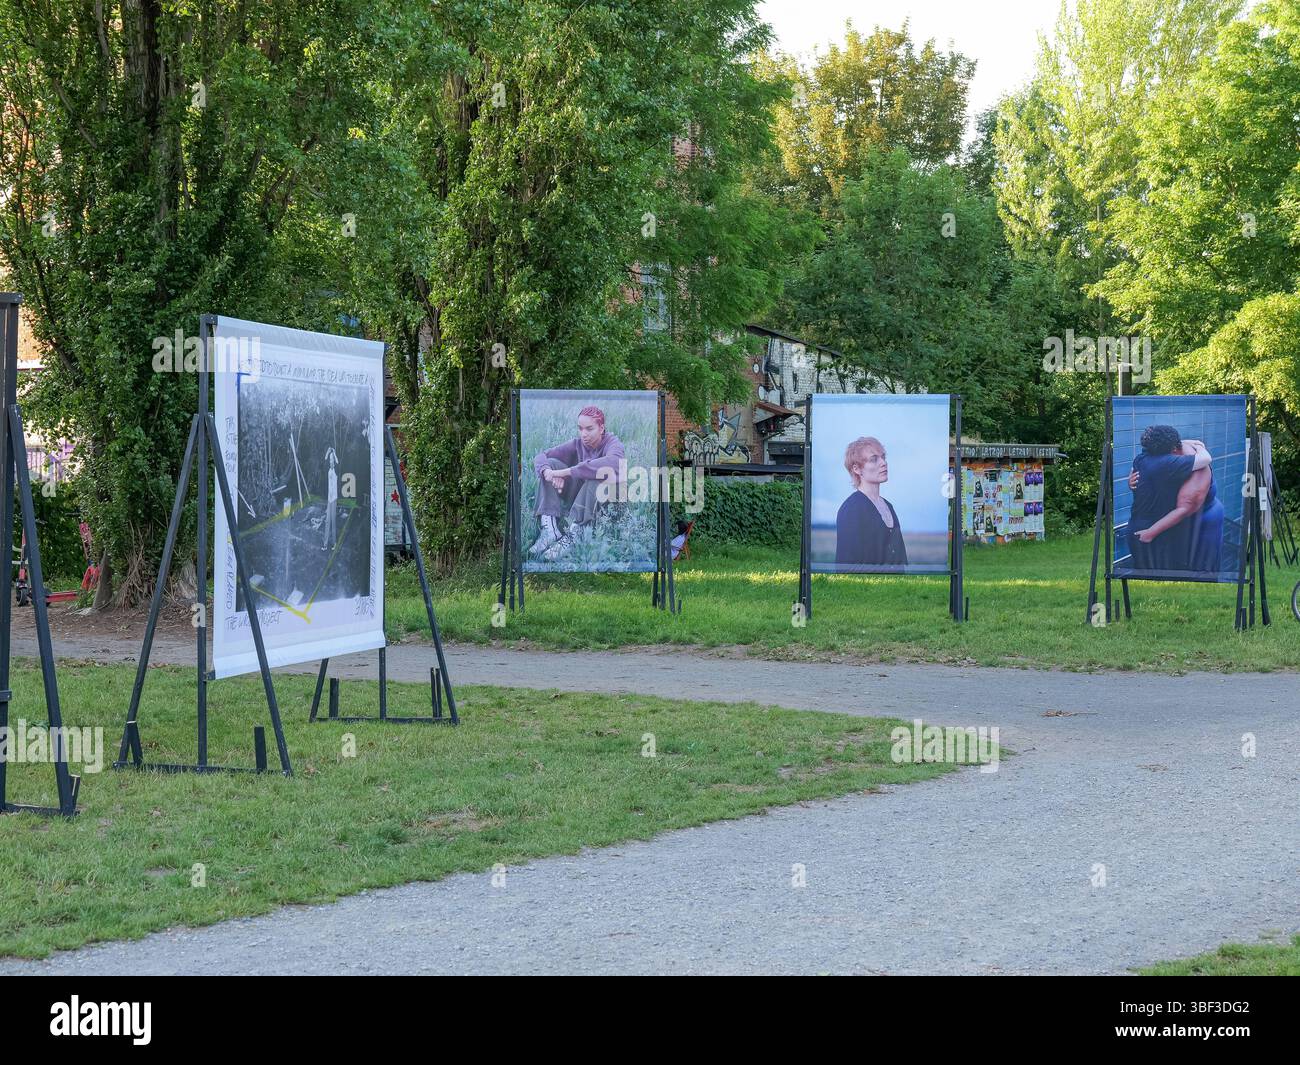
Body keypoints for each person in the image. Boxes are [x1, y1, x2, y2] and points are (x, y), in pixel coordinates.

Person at [530, 406, 626, 560]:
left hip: (607, 503)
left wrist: (566, 472)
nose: (584, 434)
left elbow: (616, 464)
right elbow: (541, 456)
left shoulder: (613, 443)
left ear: (601, 428)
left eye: (589, 429)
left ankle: (575, 533)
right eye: (580, 429)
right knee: (551, 463)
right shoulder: (577, 444)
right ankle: (550, 530)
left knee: (597, 477)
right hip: (581, 496)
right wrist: (548, 472)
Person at [1125, 425, 1212, 572]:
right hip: (1151, 531)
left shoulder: (1141, 458)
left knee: (1142, 576)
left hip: (1135, 526)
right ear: (1171, 448)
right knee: (1161, 577)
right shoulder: (1168, 463)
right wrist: (1199, 445)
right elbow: (1206, 459)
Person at [835, 436, 908, 567]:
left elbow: (901, 559)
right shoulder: (852, 509)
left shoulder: (888, 506)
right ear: (857, 469)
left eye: (883, 457)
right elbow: (845, 564)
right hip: (866, 586)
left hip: (897, 586)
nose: (883, 463)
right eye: (874, 459)